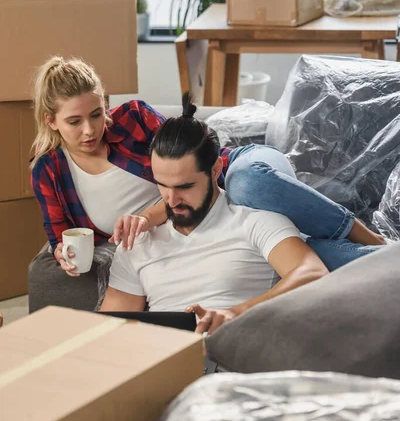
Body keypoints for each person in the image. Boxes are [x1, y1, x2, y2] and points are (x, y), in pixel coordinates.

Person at [29, 56, 383, 312]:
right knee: (301, 250)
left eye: (96, 115)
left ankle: (365, 235)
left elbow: (186, 148)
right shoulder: (49, 172)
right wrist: (64, 253)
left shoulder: (132, 120)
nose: (90, 130)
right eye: (74, 121)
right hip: (187, 216)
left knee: (247, 187)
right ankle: (385, 257)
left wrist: (151, 217)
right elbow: (64, 238)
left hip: (239, 167)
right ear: (52, 120)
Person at [100, 95, 385, 335]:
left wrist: (235, 313)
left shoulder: (254, 218)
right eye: (162, 186)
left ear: (215, 171)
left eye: (185, 187)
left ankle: (378, 246)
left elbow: (311, 273)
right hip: (164, 369)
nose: (171, 200)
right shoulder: (136, 243)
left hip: (237, 362)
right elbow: (106, 331)